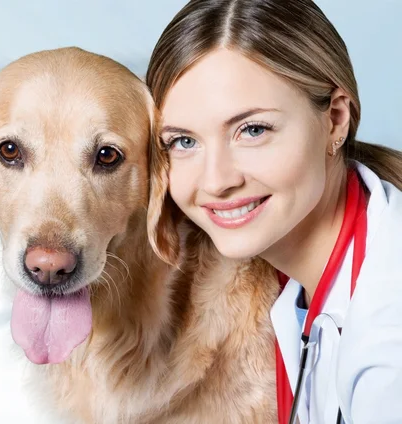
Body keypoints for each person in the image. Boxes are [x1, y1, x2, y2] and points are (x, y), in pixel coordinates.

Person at [145, 0, 402, 423]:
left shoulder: (388, 347)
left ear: (336, 120)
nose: (215, 181)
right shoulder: (294, 282)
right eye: (183, 141)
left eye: (252, 130)